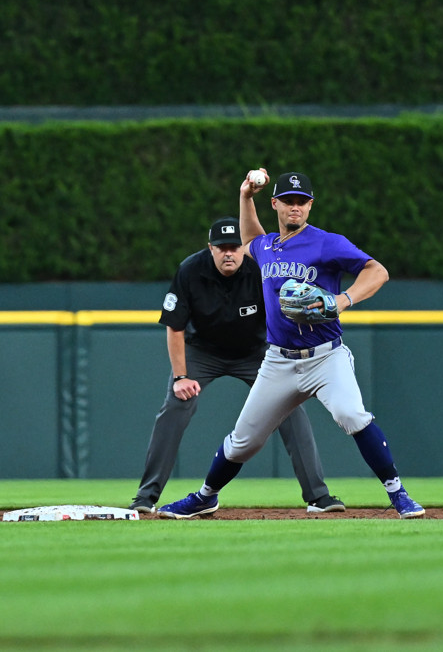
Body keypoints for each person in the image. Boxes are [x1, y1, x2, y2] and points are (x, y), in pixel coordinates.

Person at [158, 170, 425, 519]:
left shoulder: (326, 242)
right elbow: (251, 237)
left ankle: (397, 493)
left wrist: (341, 300)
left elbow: (377, 271)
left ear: (310, 205)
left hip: (326, 357)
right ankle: (206, 496)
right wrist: (245, 196)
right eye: (288, 201)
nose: (295, 207)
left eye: (301, 202)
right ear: (276, 205)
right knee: (244, 442)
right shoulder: (266, 246)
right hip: (278, 362)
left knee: (351, 414)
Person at [129, 216, 345, 515]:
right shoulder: (191, 270)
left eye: (235, 246)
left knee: (290, 410)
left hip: (254, 352)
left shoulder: (260, 269)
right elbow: (175, 326)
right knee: (176, 407)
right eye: (222, 247)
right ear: (211, 248)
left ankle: (319, 497)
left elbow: (283, 313)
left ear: (244, 248)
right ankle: (146, 497)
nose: (229, 252)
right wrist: (181, 376)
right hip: (202, 352)